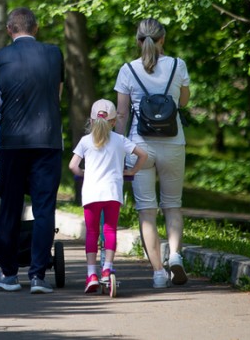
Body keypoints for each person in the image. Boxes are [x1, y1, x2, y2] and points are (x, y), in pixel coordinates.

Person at [0, 7, 64, 294]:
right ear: (37, 27)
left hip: (12, 143)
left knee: (11, 205)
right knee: (44, 207)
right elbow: (56, 96)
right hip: (47, 140)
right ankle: (38, 276)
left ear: (10, 29)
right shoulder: (55, 54)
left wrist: (2, 124)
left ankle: (8, 274)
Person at [114, 18, 191, 288]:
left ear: (138, 41)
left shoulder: (127, 70)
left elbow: (121, 114)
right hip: (173, 142)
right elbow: (182, 102)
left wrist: (119, 149)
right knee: (173, 205)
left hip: (140, 146)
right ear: (163, 39)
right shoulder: (177, 65)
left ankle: (158, 272)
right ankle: (176, 256)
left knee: (147, 212)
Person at [69, 99, 148, 294]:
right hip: (113, 192)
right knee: (110, 230)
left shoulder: (85, 141)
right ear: (113, 121)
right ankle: (107, 269)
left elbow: (72, 166)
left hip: (91, 193)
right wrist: (131, 171)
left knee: (92, 232)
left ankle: (91, 274)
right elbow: (143, 155)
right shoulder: (120, 140)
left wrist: (83, 173)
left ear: (91, 120)